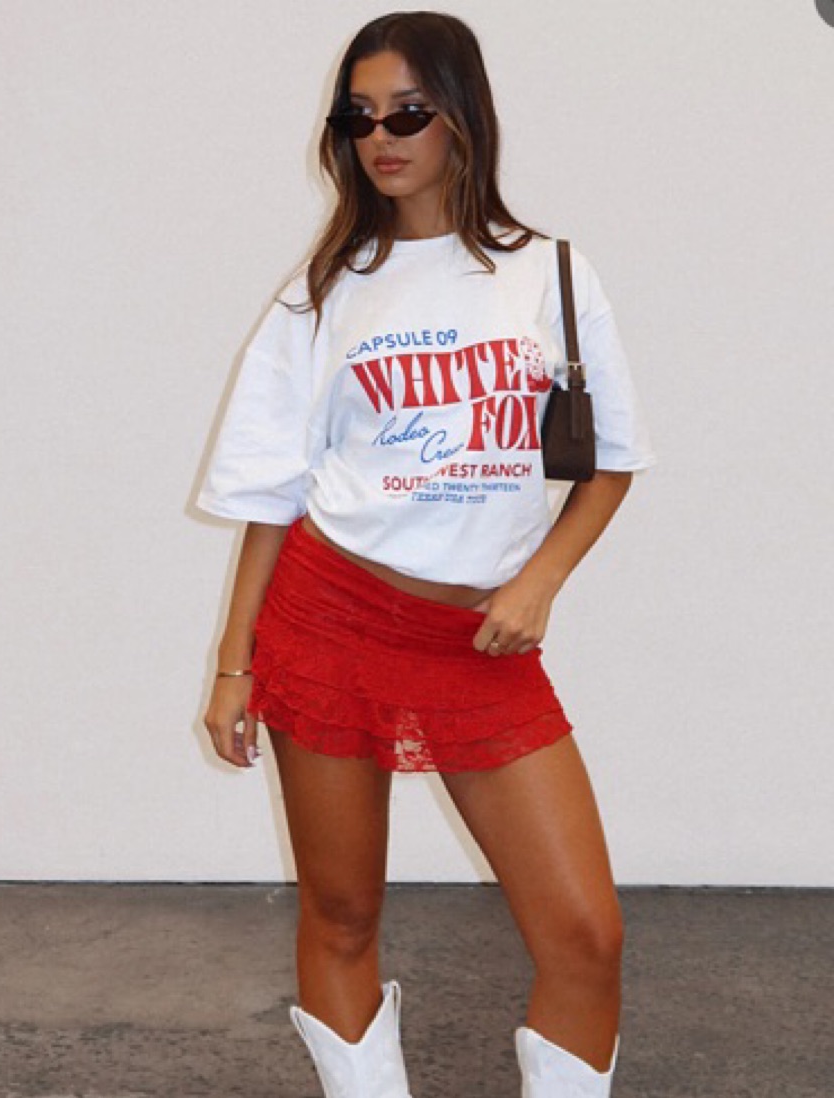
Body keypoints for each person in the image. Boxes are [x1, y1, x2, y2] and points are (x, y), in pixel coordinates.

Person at [196, 11, 656, 1097]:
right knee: (342, 912)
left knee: (586, 934)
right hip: (329, 617)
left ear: (461, 115)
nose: (380, 138)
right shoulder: (324, 290)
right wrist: (232, 665)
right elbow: (271, 495)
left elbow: (611, 464)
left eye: (406, 113)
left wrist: (539, 580)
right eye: (356, 118)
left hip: (478, 640)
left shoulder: (551, 274)